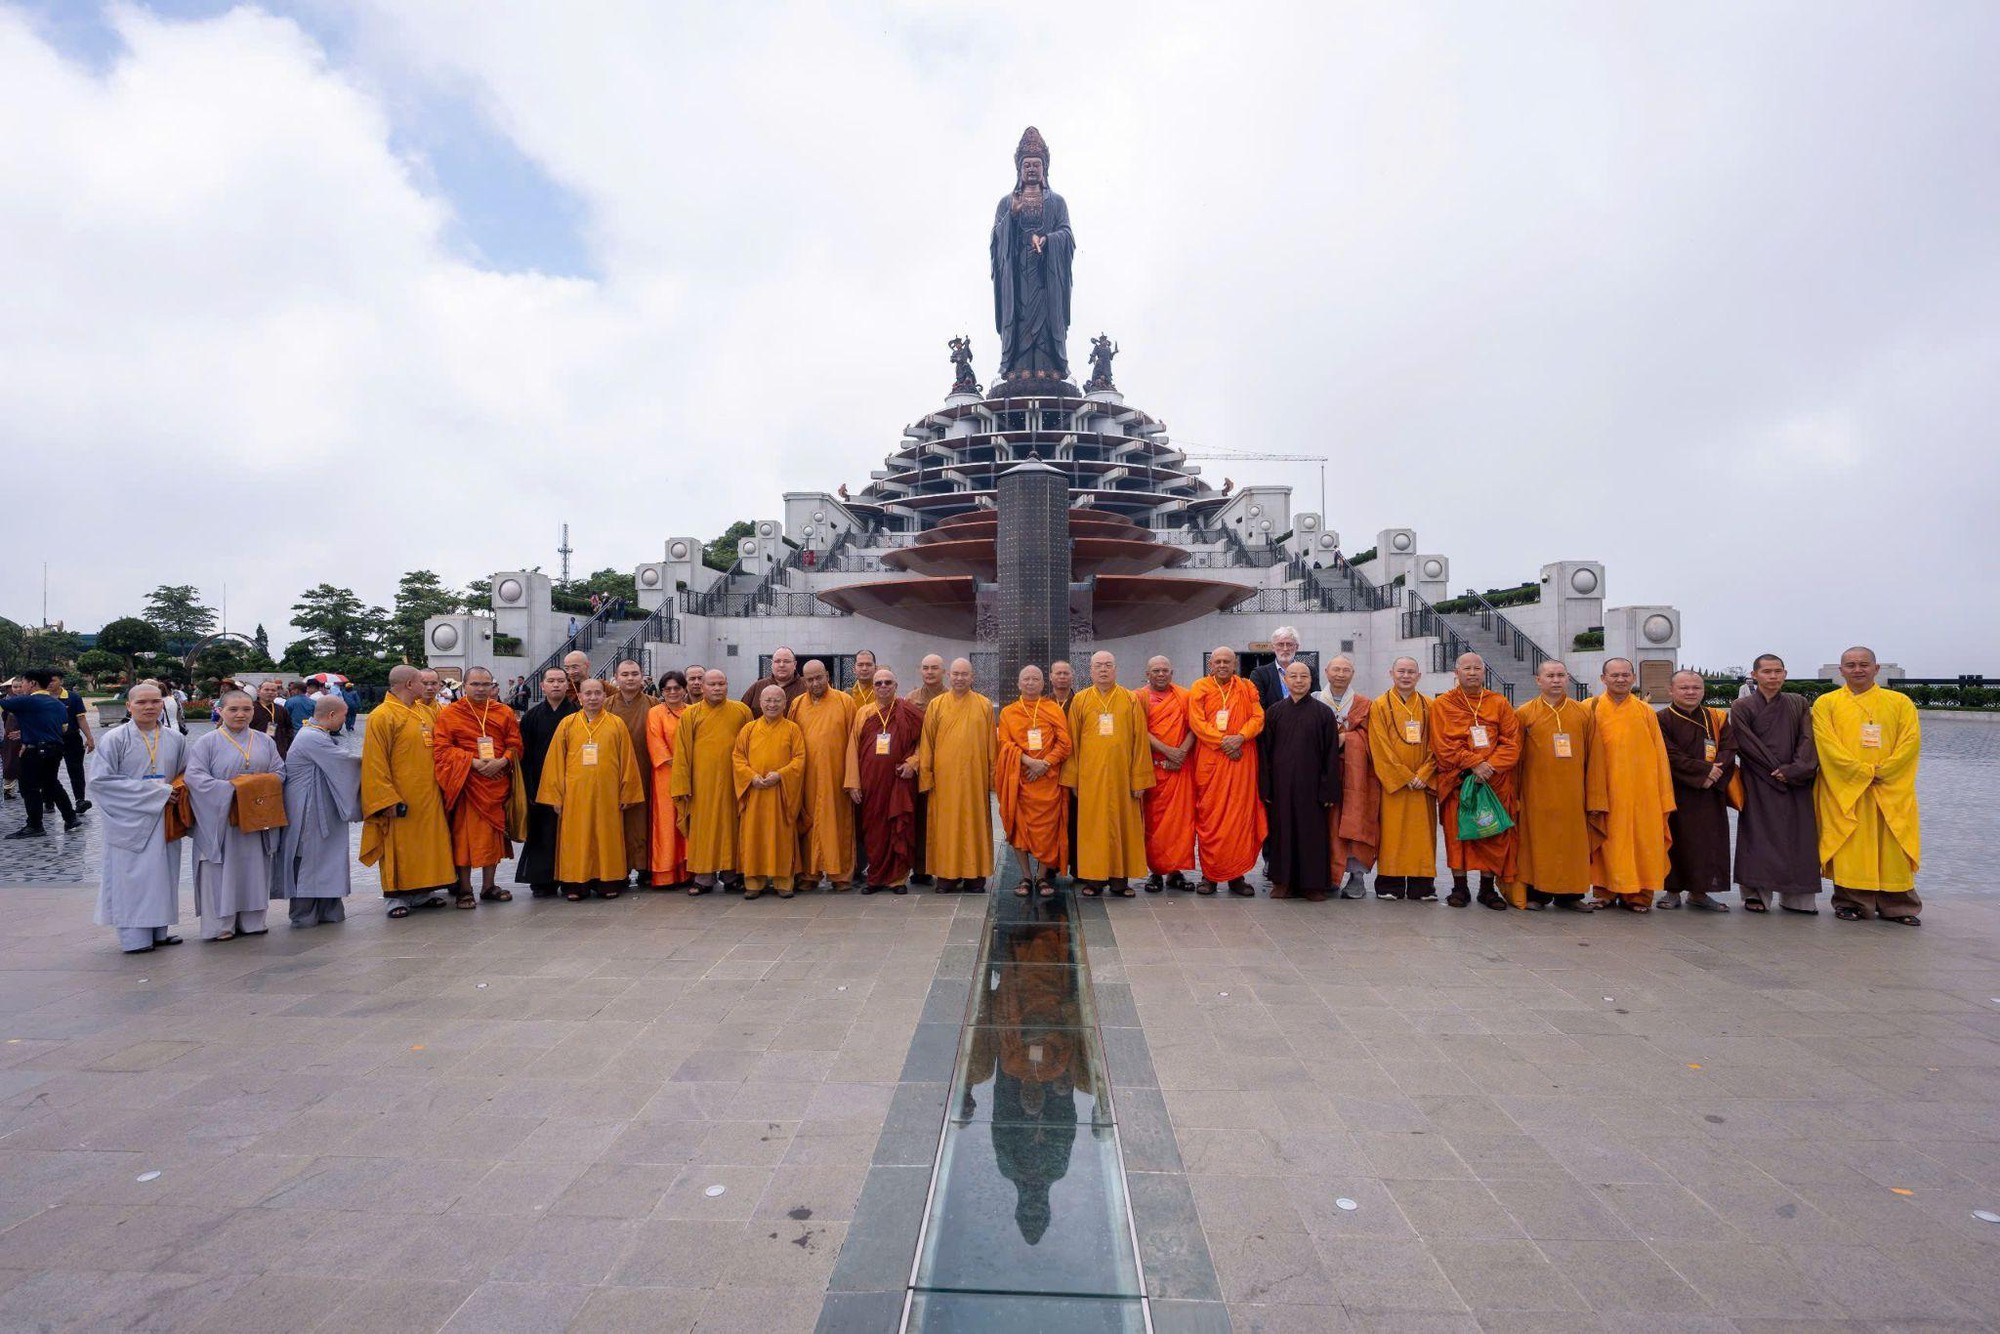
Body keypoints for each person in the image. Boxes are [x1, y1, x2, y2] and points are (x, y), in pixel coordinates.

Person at [1814, 646, 1922, 925]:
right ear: (1841, 671)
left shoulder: (1900, 702)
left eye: (1864, 664)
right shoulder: (1827, 703)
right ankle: (1851, 902)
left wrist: (1884, 771)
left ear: (1876, 669)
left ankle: (1898, 905)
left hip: (1890, 787)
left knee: (1894, 844)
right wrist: (1860, 772)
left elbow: (1910, 743)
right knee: (1851, 844)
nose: (1857, 670)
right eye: (1850, 665)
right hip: (1846, 788)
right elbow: (1826, 745)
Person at [87, 682, 185, 952]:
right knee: (132, 879)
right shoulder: (115, 739)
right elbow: (101, 782)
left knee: (163, 876)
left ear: (162, 704)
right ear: (129, 706)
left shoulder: (175, 739)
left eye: (155, 701)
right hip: (128, 820)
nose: (149, 707)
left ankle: (159, 931)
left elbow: (183, 775)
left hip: (163, 818)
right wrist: (155, 793)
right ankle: (134, 939)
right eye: (141, 702)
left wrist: (174, 793)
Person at [183, 689, 282, 940]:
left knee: (254, 869)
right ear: (221, 711)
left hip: (255, 817)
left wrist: (254, 787)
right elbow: (195, 777)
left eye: (246, 709)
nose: (241, 714)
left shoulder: (265, 740)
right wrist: (233, 789)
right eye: (234, 709)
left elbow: (280, 773)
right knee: (219, 871)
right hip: (221, 818)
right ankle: (221, 925)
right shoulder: (207, 742)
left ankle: (252, 921)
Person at [360, 664, 456, 918]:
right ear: (410, 685)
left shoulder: (424, 712)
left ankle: (421, 891)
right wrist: (385, 798)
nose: (427, 687)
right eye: (421, 682)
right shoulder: (382, 715)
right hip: (399, 797)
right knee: (398, 847)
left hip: (428, 794)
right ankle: (396, 896)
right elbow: (374, 761)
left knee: (426, 845)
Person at [1730, 654, 1822, 914]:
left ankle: (1798, 898)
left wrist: (1796, 769)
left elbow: (1808, 739)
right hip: (1758, 780)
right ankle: (1756, 894)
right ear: (1755, 674)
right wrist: (1775, 770)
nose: (1773, 676)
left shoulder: (1797, 703)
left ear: (1785, 673)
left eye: (1778, 671)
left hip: (1796, 780)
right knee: (1758, 836)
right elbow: (1746, 744)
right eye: (1767, 672)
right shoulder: (1743, 706)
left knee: (1799, 837)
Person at [1430, 653, 1522, 910]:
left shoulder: (1499, 702)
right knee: (1457, 834)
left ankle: (1487, 889)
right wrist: (1473, 763)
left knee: (1492, 833)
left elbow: (1512, 743)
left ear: (1484, 672)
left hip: (1494, 780)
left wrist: (1489, 766)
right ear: (1456, 673)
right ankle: (1459, 888)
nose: (1472, 673)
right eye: (1466, 668)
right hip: (1458, 779)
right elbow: (1441, 745)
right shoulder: (1443, 705)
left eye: (1477, 668)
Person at [539, 677, 644, 900]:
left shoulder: (616, 724)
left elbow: (628, 760)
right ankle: (576, 884)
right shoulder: (567, 724)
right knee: (576, 838)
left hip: (608, 794)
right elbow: (554, 762)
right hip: (575, 795)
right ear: (579, 697)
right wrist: (555, 796)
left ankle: (607, 881)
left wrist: (628, 791)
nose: (593, 697)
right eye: (588, 694)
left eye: (597, 693)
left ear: (604, 697)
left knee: (607, 837)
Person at [1059, 651, 1153, 898]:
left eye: (1108, 665)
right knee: (1094, 830)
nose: (1103, 670)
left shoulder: (1130, 699)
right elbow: (1072, 743)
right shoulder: (1080, 700)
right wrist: (1074, 778)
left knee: (1123, 828)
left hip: (1123, 779)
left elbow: (1140, 742)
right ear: (1090, 671)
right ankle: (1094, 880)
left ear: (1115, 669)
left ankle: (1120, 881)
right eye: (1098, 666)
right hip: (1091, 780)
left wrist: (1139, 779)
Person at [1587, 658, 1674, 913]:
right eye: (1614, 675)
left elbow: (1659, 754)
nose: (1620, 679)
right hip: (1603, 789)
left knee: (1642, 841)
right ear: (1603, 679)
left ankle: (1639, 895)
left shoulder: (1645, 712)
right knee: (1605, 840)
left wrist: (1662, 792)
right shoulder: (1589, 708)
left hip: (1640, 791)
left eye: (1626, 675)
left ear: (1634, 678)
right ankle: (1603, 891)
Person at [1511, 661, 1598, 912]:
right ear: (1538, 680)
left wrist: (1594, 797)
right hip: (1536, 792)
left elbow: (1595, 757)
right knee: (1537, 844)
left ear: (1568, 679)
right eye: (1550, 676)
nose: (1556, 680)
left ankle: (1571, 895)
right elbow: (1515, 758)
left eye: (1561, 675)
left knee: (1572, 845)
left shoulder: (1583, 713)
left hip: (1573, 794)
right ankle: (1537, 893)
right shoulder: (1525, 713)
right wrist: (1514, 795)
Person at [434, 666, 524, 907]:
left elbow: (515, 744)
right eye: (475, 684)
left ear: (493, 686)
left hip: (495, 781)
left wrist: (502, 761)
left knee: (493, 836)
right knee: (463, 837)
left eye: (486, 684)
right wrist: (471, 762)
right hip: (467, 783)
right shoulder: (450, 714)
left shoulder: (503, 712)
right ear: (464, 686)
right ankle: (464, 888)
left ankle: (489, 885)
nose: (481, 689)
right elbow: (441, 748)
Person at [277, 693, 363, 927]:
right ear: (332, 715)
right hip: (307, 809)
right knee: (307, 859)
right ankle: (305, 914)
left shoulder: (316, 735)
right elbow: (344, 762)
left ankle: (328, 910)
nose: (345, 722)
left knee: (327, 858)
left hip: (321, 805)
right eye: (344, 716)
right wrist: (373, 762)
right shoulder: (310, 737)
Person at [1187, 647, 1266, 896]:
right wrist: (1225, 742)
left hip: (1241, 760)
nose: (1222, 665)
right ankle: (1209, 876)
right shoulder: (1200, 687)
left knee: (1238, 819)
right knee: (1210, 818)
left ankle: (1236, 876)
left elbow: (1258, 716)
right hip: (1211, 760)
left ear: (1235, 664)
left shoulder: (1246, 687)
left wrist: (1240, 737)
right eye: (1218, 661)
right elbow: (1197, 722)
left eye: (1227, 661)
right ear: (1211, 664)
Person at [1259, 661, 1341, 901]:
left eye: (1303, 676)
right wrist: (1267, 787)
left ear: (1311, 680)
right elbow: (1265, 752)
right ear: (1285, 680)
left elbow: (1331, 755)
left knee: (1312, 834)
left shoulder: (1323, 713)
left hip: (1313, 787)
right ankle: (1283, 882)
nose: (1298, 681)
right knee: (1281, 833)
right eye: (1293, 676)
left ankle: (1313, 885)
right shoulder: (1274, 712)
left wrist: (1329, 790)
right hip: (1282, 787)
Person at [1657, 669, 1737, 912]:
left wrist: (1712, 775)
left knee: (1708, 842)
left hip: (1709, 793)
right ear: (1671, 690)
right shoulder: (1661, 719)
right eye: (1684, 688)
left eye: (1696, 688)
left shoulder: (1717, 717)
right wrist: (1702, 772)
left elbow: (1729, 749)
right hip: (1677, 790)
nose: (1691, 692)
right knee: (1676, 839)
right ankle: (1672, 891)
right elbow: (1667, 753)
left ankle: (1700, 892)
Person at [917, 658, 996, 892]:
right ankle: (947, 875)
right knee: (946, 826)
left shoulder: (984, 705)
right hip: (944, 780)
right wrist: (926, 776)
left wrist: (993, 777)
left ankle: (975, 875)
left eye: (964, 674)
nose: (960, 678)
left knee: (975, 824)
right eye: (956, 674)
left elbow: (992, 744)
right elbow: (927, 743)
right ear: (949, 676)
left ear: (972, 677)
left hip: (974, 779)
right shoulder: (937, 705)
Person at [672, 670, 753, 894]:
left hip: (734, 781)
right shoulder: (691, 714)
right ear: (702, 687)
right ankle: (704, 876)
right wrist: (683, 785)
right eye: (712, 684)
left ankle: (731, 874)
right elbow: (682, 752)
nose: (717, 688)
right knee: (703, 829)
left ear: (727, 685)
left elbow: (751, 745)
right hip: (701, 784)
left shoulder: (741, 711)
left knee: (732, 827)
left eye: (721, 684)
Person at [997, 664, 1073, 898]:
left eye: (1035, 679)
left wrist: (1045, 764)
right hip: (1020, 779)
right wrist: (1030, 762)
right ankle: (1026, 876)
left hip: (1047, 780)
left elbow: (1065, 743)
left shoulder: (1053, 709)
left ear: (1043, 683)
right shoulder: (1008, 712)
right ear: (1018, 684)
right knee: (1019, 827)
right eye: (1026, 679)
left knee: (1048, 830)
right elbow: (1005, 744)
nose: (1030, 683)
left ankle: (1041, 877)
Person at [1366, 657, 1438, 901]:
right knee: (1392, 834)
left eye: (1411, 672)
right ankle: (1390, 883)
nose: (1406, 676)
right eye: (1401, 671)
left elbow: (1437, 744)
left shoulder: (1430, 705)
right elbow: (1379, 745)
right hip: (1394, 784)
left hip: (1422, 783)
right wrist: (1403, 775)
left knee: (1422, 834)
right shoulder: (1380, 705)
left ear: (1419, 675)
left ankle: (1422, 885)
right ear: (1391, 673)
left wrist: (1425, 773)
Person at [847, 667, 923, 895]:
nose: (882, 687)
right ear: (873, 687)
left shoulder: (908, 710)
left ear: (896, 686)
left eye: (887, 682)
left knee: (899, 827)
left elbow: (925, 742)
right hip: (871, 783)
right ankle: (876, 877)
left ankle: (898, 879)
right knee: (874, 830)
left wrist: (913, 763)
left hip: (899, 781)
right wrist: (853, 782)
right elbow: (852, 747)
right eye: (878, 683)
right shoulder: (864, 713)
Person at [734, 685, 809, 899]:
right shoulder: (748, 729)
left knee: (782, 837)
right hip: (755, 793)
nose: (772, 704)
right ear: (760, 703)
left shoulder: (792, 729)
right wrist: (751, 777)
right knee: (753, 837)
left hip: (781, 794)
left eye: (777, 701)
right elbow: (738, 758)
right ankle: (754, 882)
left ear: (785, 704)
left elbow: (800, 759)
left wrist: (781, 774)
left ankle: (783, 881)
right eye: (768, 700)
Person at [789, 660, 857, 891]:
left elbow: (854, 743)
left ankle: (840, 875)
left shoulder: (845, 701)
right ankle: (809, 874)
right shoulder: (797, 704)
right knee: (808, 823)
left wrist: (852, 778)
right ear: (803, 680)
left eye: (819, 677)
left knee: (839, 824)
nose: (815, 683)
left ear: (827, 675)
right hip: (806, 777)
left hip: (836, 776)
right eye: (810, 679)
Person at [1316, 655, 1377, 899]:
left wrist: (1347, 739)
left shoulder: (1364, 703)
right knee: (1325, 825)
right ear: (1326, 671)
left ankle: (1356, 878)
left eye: (1346, 670)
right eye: (1336, 669)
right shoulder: (1314, 700)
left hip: (1357, 774)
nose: (1340, 674)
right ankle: (1326, 875)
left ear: (1353, 674)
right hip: (1322, 773)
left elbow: (1375, 738)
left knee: (1355, 822)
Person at [515, 668, 577, 897]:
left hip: (571, 783)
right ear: (542, 686)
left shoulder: (577, 714)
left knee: (570, 834)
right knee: (542, 832)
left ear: (567, 685)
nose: (556, 685)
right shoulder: (531, 717)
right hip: (540, 783)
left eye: (561, 681)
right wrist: (529, 787)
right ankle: (542, 880)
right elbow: (524, 755)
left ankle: (572, 876)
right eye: (551, 681)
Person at [1137, 656, 1197, 892]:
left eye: (1165, 670)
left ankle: (1176, 871)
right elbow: (1139, 730)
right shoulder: (1138, 697)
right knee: (1152, 823)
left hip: (1180, 770)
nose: (1160, 674)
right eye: (1156, 671)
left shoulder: (1184, 696)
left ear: (1172, 673)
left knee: (1181, 823)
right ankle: (1155, 872)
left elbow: (1194, 727)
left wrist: (1180, 753)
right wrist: (1167, 752)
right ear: (1147, 674)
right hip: (1153, 768)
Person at [1, 669, 78, 836]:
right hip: (56, 749)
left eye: (23, 684)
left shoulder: (26, 702)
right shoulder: (57, 703)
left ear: (33, 684)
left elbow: (4, 704)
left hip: (35, 750)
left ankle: (35, 825)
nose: (22, 688)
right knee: (51, 783)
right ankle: (71, 817)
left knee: (29, 787)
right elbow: (63, 728)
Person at [604, 660, 657, 886]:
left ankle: (646, 868)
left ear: (642, 677)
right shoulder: (606, 705)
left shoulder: (654, 704)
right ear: (616, 678)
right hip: (613, 773)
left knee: (644, 821)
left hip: (645, 770)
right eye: (624, 674)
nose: (630, 678)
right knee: (616, 822)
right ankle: (619, 869)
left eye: (634, 673)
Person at [643, 672, 691, 889]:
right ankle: (665, 874)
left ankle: (689, 871)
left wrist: (688, 766)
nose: (673, 692)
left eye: (677, 688)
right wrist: (676, 763)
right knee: (665, 824)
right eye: (668, 689)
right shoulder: (655, 713)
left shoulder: (693, 712)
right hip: (665, 775)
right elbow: (655, 741)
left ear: (684, 689)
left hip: (690, 775)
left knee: (688, 821)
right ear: (662, 692)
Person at [905, 654, 948, 886]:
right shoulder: (912, 699)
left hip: (946, 768)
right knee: (920, 819)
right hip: (919, 767)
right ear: (920, 671)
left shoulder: (952, 698)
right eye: (926, 668)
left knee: (944, 820)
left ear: (943, 671)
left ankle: (945, 865)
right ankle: (920, 867)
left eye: (934, 668)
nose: (930, 672)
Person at [1047, 658, 1080, 879]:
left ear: (1072, 676)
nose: (1061, 677)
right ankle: (1048, 867)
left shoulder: (1082, 702)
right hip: (1050, 771)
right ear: (1050, 677)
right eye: (1057, 673)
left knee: (1078, 820)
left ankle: (1080, 867)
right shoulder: (1043, 704)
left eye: (1065, 673)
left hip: (1077, 769)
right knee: (1050, 821)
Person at [48, 670, 93, 813]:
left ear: (61, 680)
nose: (50, 683)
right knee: (48, 770)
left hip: (71, 738)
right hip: (50, 739)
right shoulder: (41, 697)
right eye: (47, 680)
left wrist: (89, 737)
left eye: (53, 680)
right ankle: (48, 800)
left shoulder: (73, 697)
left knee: (76, 769)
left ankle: (80, 800)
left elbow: (81, 718)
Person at [1248, 627, 1301, 707]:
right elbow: (1258, 707)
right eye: (1280, 644)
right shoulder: (1259, 674)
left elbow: (1315, 704)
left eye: (1289, 644)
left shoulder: (1309, 672)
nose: (1285, 649)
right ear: (1273, 647)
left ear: (1297, 647)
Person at [740, 646, 806, 710]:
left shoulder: (806, 686)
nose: (781, 665)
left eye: (786, 661)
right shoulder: (758, 687)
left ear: (795, 665)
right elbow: (742, 712)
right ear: (772, 665)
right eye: (777, 661)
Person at [248, 678, 296, 759]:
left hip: (278, 750)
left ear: (277, 693)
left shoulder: (281, 709)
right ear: (258, 692)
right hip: (254, 749)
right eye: (266, 690)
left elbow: (289, 728)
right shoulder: (250, 708)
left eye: (273, 690)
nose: (270, 692)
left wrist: (285, 745)